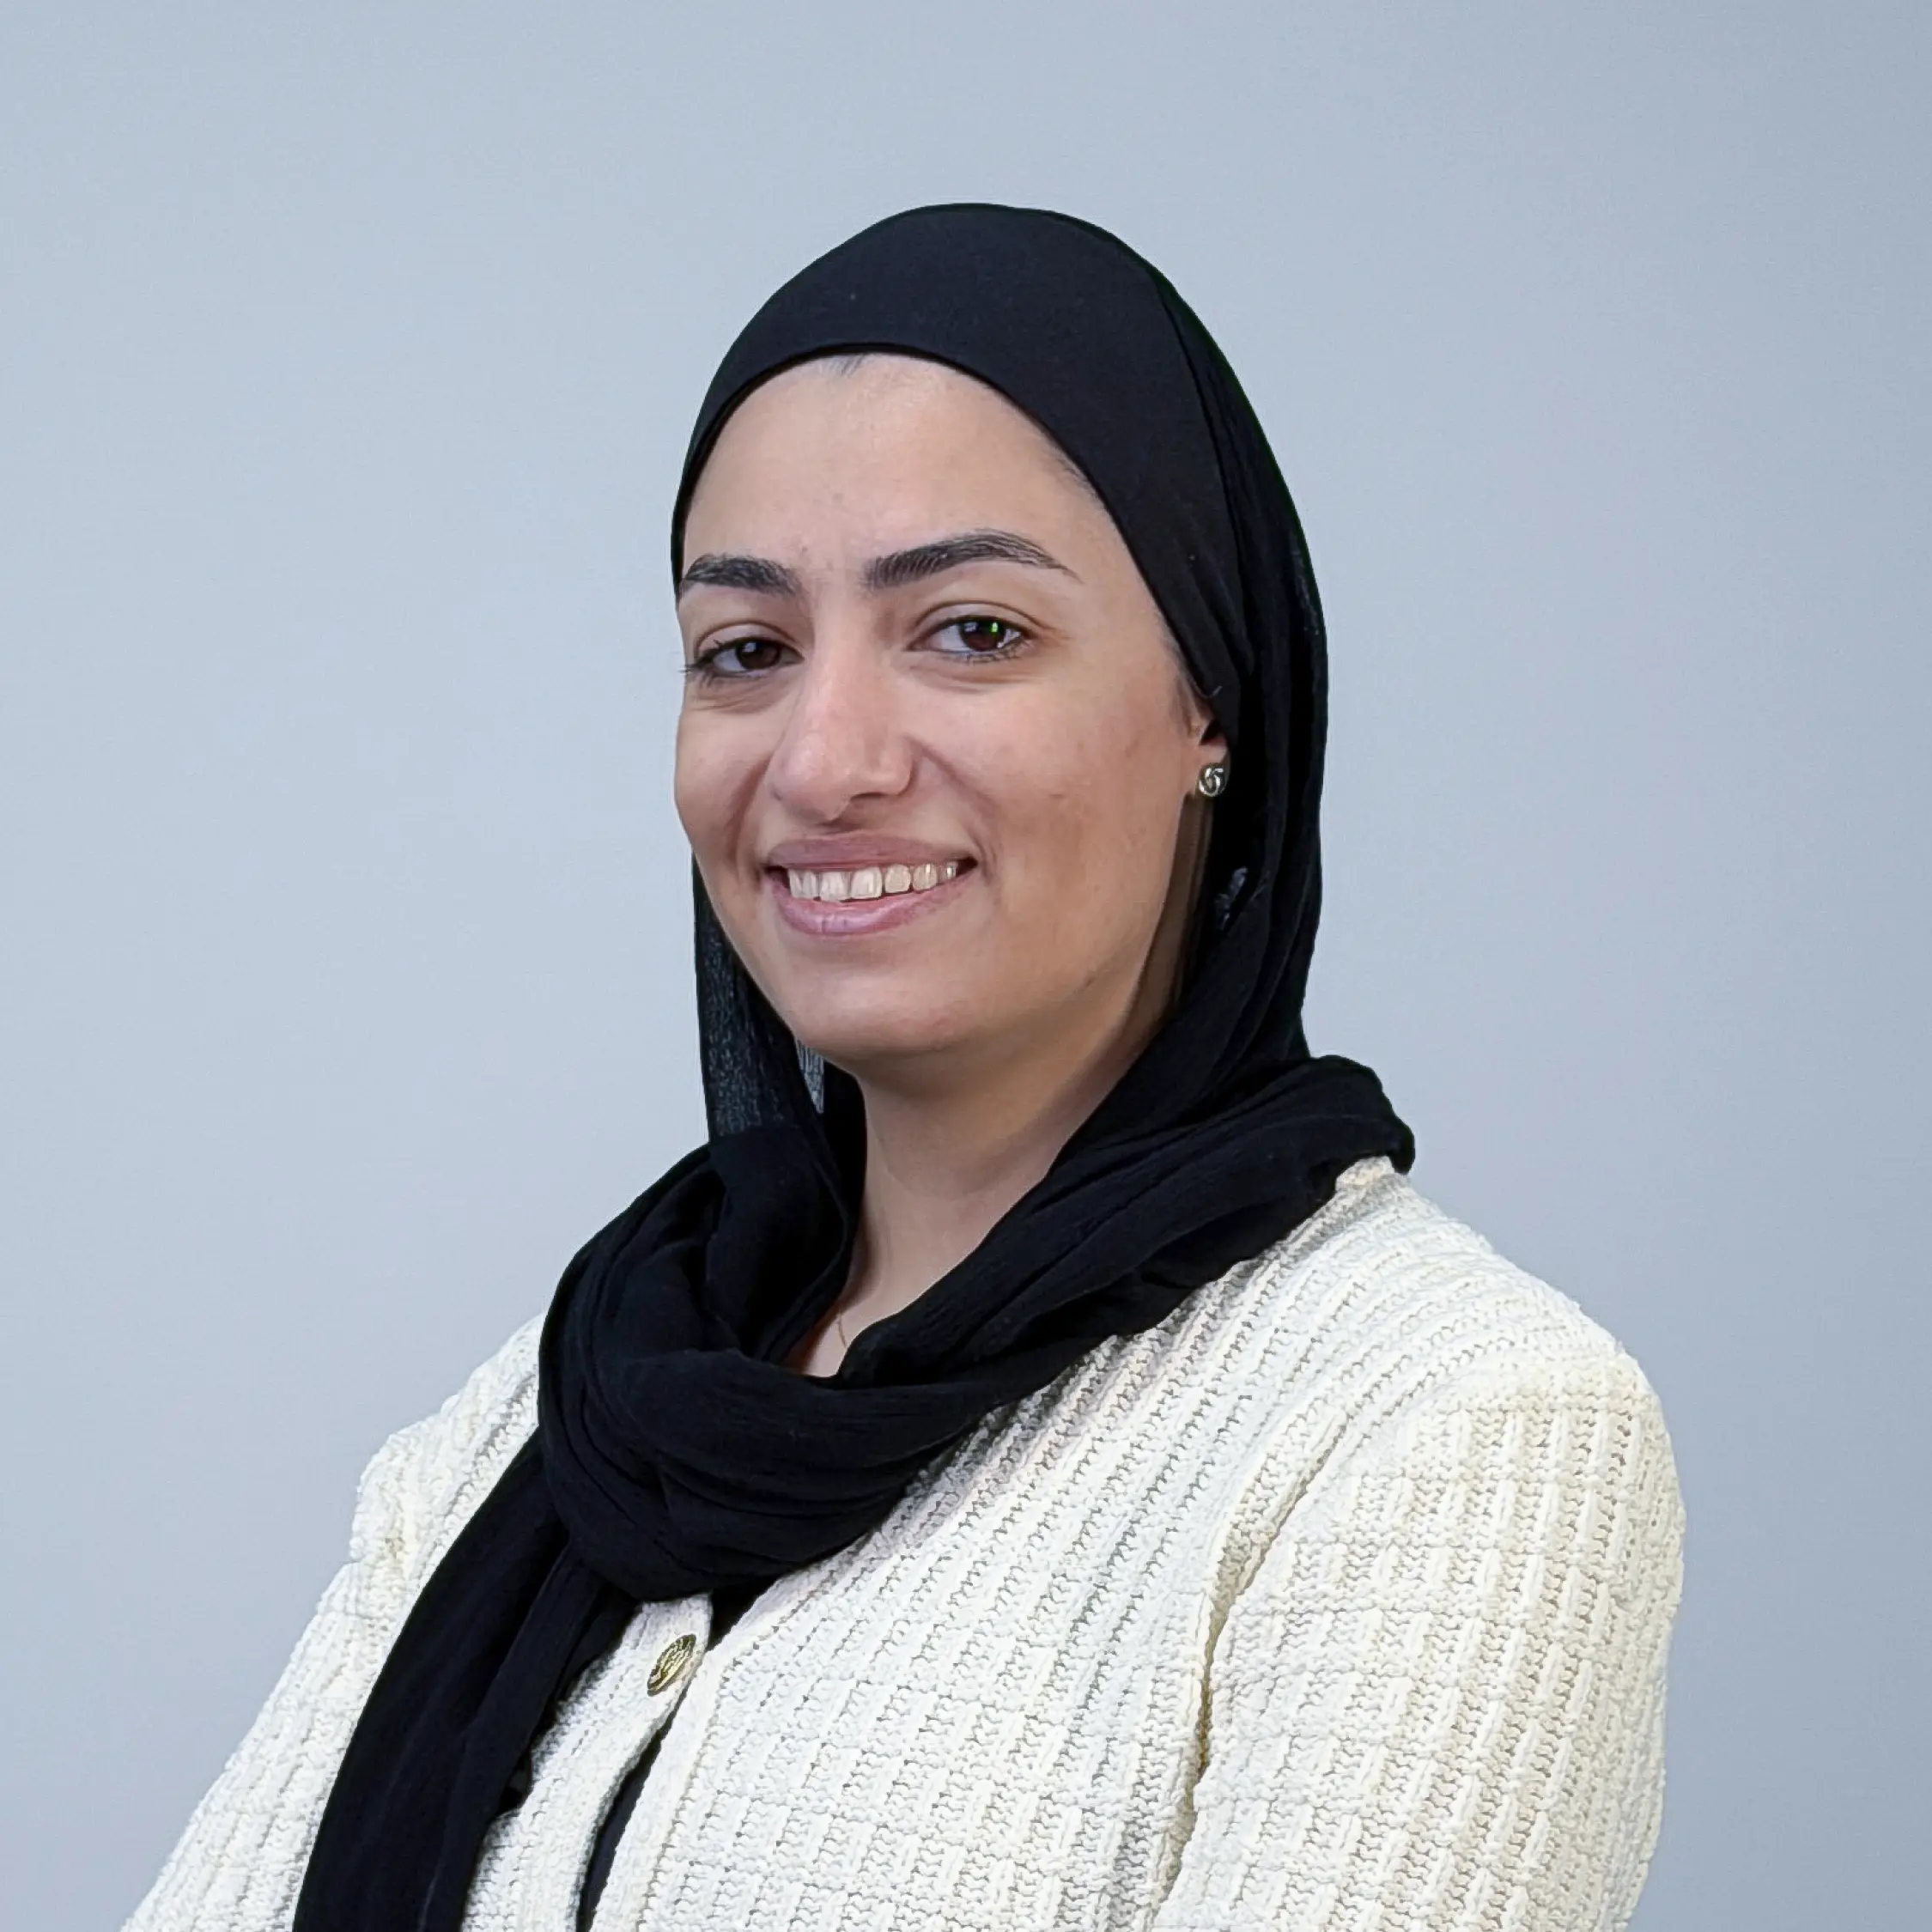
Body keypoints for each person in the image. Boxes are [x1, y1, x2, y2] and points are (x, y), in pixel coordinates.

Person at [126, 205, 1682, 1932]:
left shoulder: (1441, 1427)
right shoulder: (544, 1421)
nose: (825, 762)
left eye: (972, 631)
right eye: (747, 651)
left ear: (1211, 709)